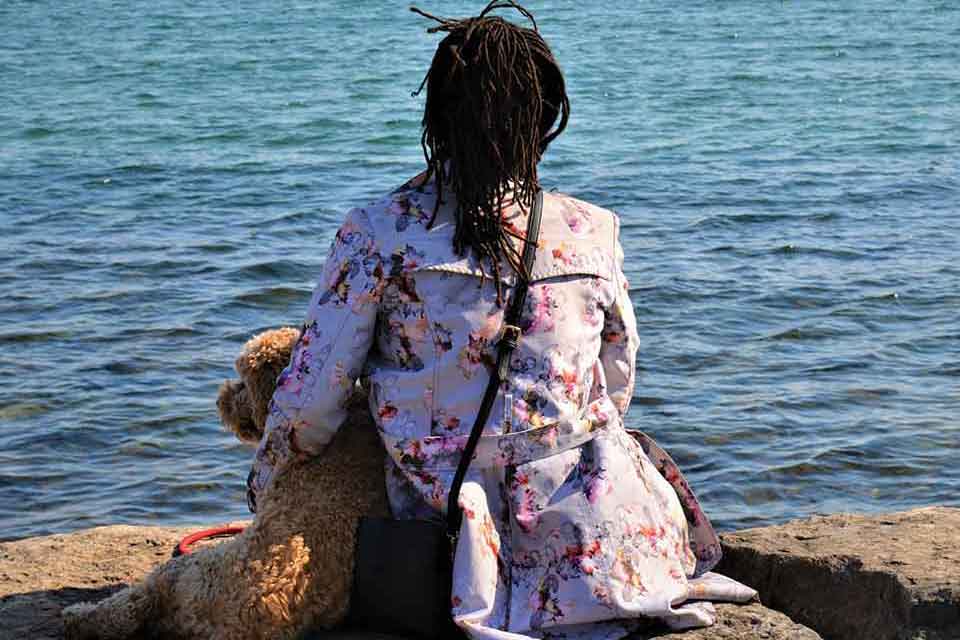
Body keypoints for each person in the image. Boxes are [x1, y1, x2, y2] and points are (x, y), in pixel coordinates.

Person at [246, 2, 757, 637]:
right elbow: (617, 379)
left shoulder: (379, 233)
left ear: (438, 116)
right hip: (597, 532)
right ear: (543, 119)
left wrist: (266, 486)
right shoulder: (592, 229)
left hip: (452, 531)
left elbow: (310, 403)